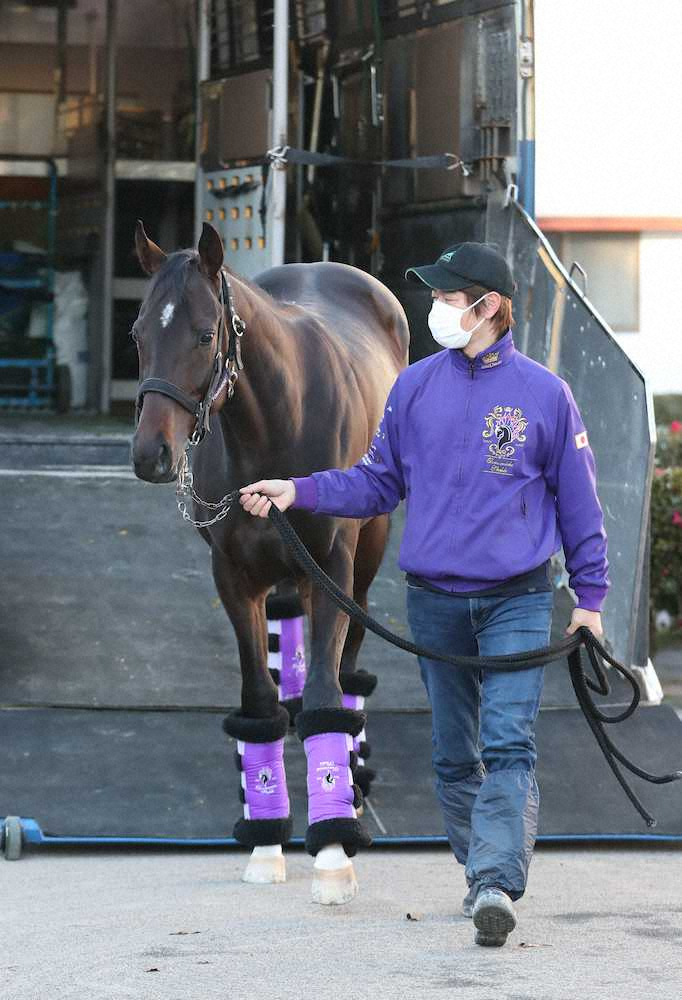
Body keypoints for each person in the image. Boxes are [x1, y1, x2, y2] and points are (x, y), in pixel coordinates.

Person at [239, 242, 608, 947]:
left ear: (488, 306)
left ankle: (497, 881)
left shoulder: (545, 396)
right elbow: (375, 482)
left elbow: (580, 506)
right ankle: (484, 881)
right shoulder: (412, 387)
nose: (435, 307)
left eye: (447, 296)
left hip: (519, 600)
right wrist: (300, 490)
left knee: (506, 743)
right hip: (435, 599)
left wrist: (589, 601)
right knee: (450, 754)